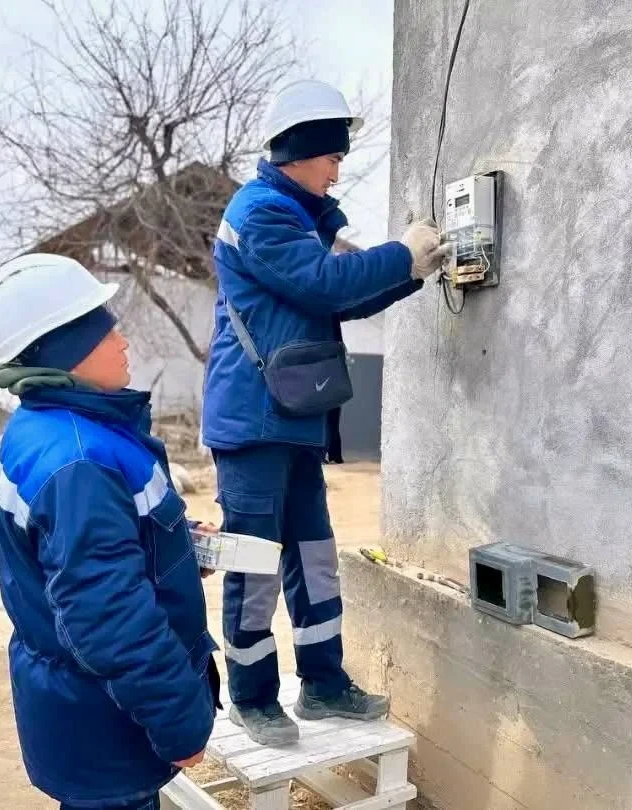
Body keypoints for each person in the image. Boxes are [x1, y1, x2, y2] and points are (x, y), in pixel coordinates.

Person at [202, 79, 450, 745]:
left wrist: (414, 271)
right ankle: (253, 697)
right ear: (299, 152)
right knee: (255, 561)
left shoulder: (295, 216)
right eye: (332, 157)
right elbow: (323, 285)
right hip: (253, 422)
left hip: (292, 415)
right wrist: (402, 254)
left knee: (313, 554)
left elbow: (344, 298)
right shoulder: (261, 213)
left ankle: (323, 683)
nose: (338, 171)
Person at [0, 253, 221, 810]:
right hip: (105, 720)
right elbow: (108, 614)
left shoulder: (46, 427)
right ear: (68, 350)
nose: (122, 341)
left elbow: (85, 551)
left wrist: (176, 542)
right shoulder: (80, 460)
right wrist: (180, 721)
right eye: (106, 330)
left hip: (79, 709)